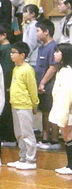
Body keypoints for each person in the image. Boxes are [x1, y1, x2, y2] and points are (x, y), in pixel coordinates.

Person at [8, 41, 39, 170]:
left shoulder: (28, 69)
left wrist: (35, 104)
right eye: (11, 52)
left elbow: (32, 88)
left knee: (27, 133)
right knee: (19, 134)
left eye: (14, 52)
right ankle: (23, 158)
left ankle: (31, 160)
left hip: (24, 105)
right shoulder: (16, 68)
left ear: (22, 55)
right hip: (15, 104)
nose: (11, 55)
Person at [35, 20, 60, 149]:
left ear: (46, 32)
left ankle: (55, 140)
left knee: (52, 112)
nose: (36, 34)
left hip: (50, 85)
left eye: (38, 31)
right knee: (45, 111)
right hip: (41, 85)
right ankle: (45, 138)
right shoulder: (41, 47)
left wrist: (43, 82)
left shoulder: (53, 47)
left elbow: (53, 67)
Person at [49, 43, 72, 174]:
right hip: (62, 109)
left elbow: (67, 95)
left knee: (68, 136)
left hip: (67, 111)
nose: (55, 54)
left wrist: (63, 116)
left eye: (58, 52)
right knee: (67, 137)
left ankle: (71, 166)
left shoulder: (67, 72)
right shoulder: (62, 70)